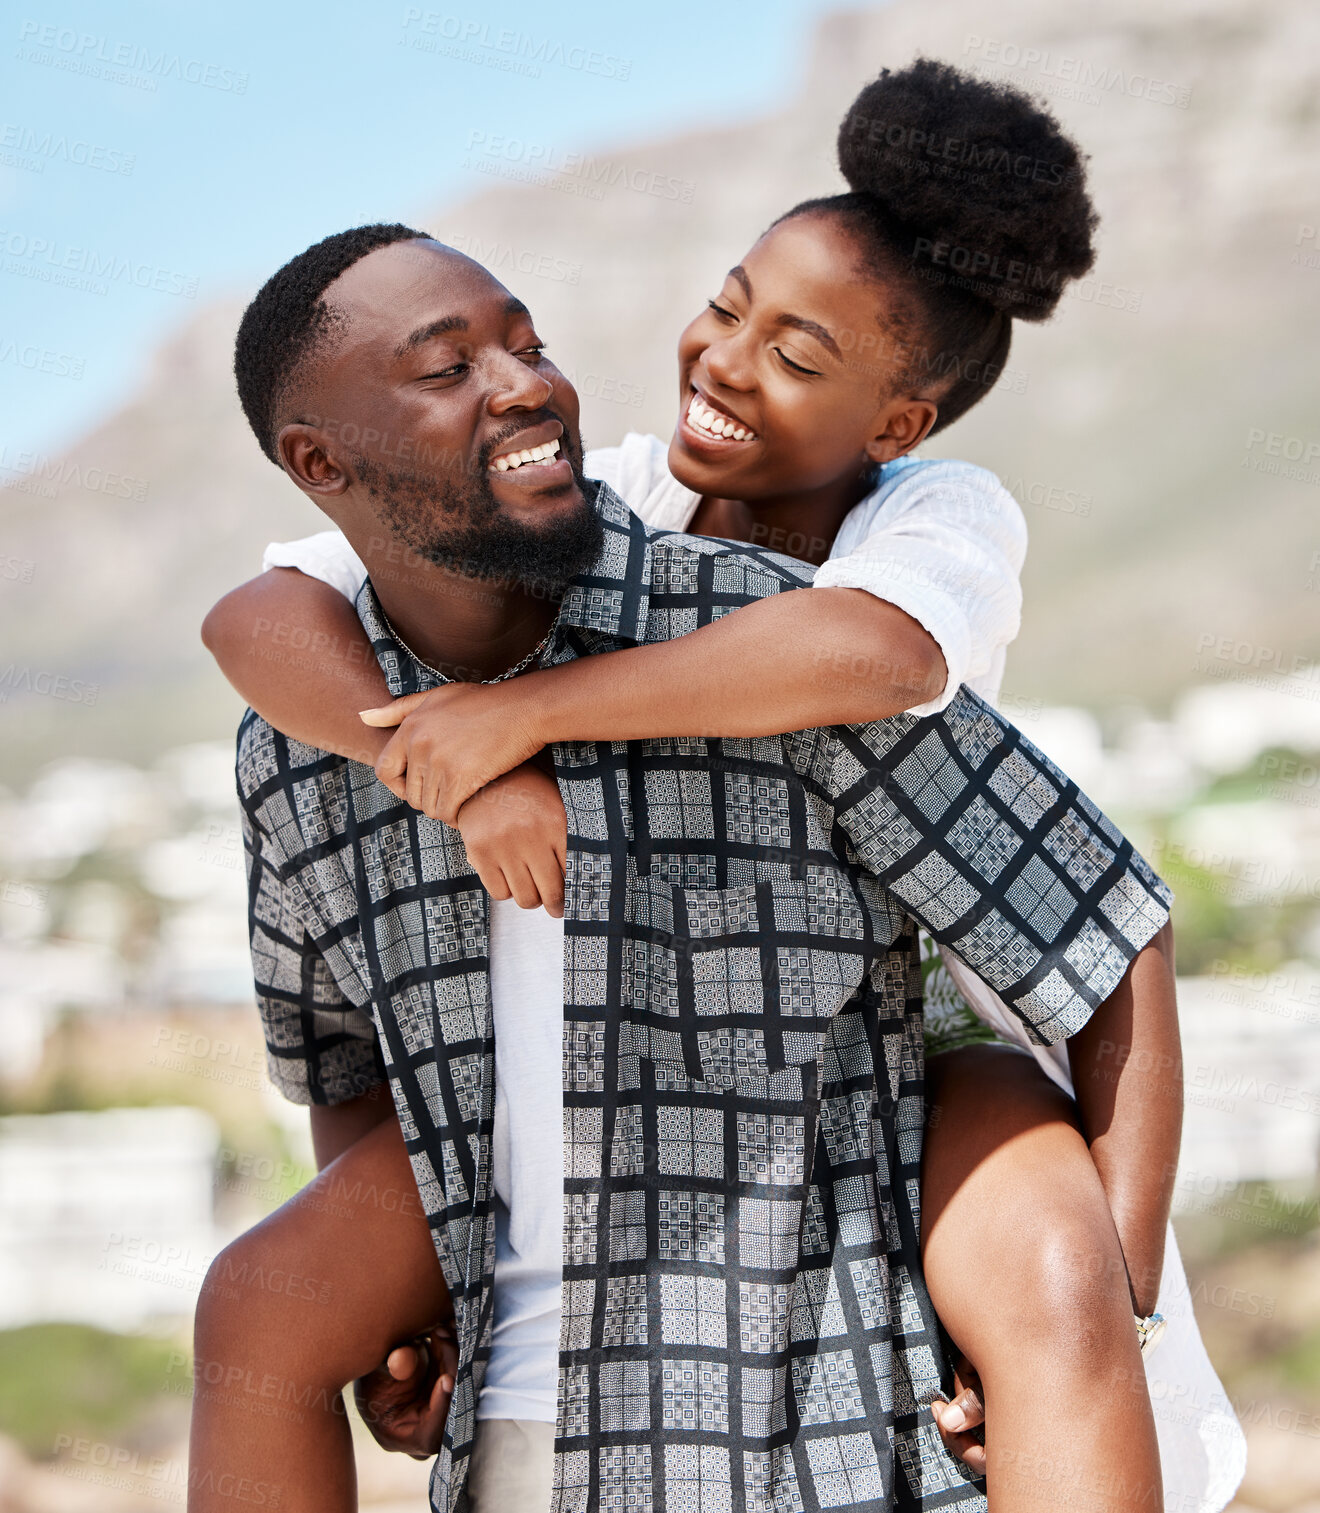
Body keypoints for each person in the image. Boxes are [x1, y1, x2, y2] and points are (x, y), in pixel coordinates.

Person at [202, 62, 1243, 1509]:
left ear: (896, 422)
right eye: (730, 304)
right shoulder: (592, 495)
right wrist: (432, 762)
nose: (728, 359)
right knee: (257, 1298)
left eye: (801, 358)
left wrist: (525, 719)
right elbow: (259, 617)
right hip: (619, 1062)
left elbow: (869, 654)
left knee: (1051, 1271)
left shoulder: (925, 526)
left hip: (937, 1009)